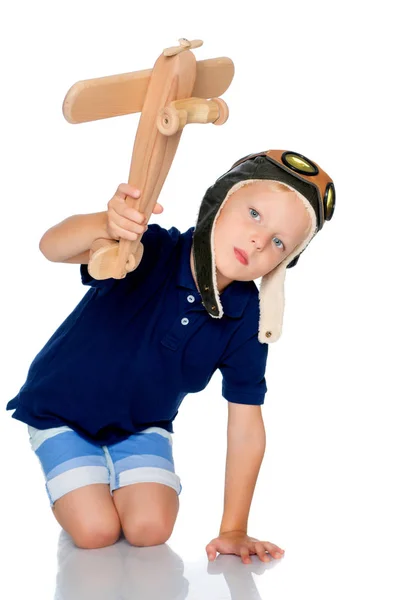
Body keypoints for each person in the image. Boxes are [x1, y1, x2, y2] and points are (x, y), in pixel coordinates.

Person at [6, 150, 335, 564]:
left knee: (150, 530)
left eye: (278, 242)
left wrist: (233, 528)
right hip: (60, 411)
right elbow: (51, 246)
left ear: (283, 262)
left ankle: (112, 472)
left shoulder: (247, 316)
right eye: (254, 214)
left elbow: (247, 426)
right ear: (220, 200)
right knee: (96, 531)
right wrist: (106, 225)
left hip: (141, 425)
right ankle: (79, 474)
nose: (258, 240)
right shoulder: (153, 250)